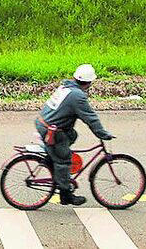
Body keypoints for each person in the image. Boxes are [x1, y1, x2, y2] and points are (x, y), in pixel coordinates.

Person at [35, 64, 114, 206]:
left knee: (72, 135)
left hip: (43, 122)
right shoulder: (77, 96)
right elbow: (91, 118)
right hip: (52, 131)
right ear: (89, 82)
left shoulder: (66, 87)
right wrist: (102, 134)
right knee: (64, 160)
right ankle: (66, 195)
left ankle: (54, 159)